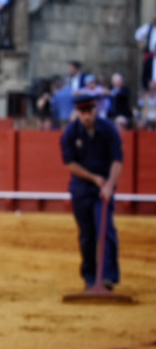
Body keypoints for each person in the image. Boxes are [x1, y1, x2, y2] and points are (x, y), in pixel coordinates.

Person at [60, 93, 123, 291]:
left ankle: (107, 278)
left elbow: (117, 160)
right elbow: (70, 164)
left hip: (104, 187)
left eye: (90, 111)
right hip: (82, 188)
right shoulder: (70, 133)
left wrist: (109, 184)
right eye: (83, 112)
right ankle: (90, 277)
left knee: (105, 230)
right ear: (78, 112)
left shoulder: (108, 130)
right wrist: (95, 178)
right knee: (87, 234)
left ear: (96, 110)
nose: (87, 116)